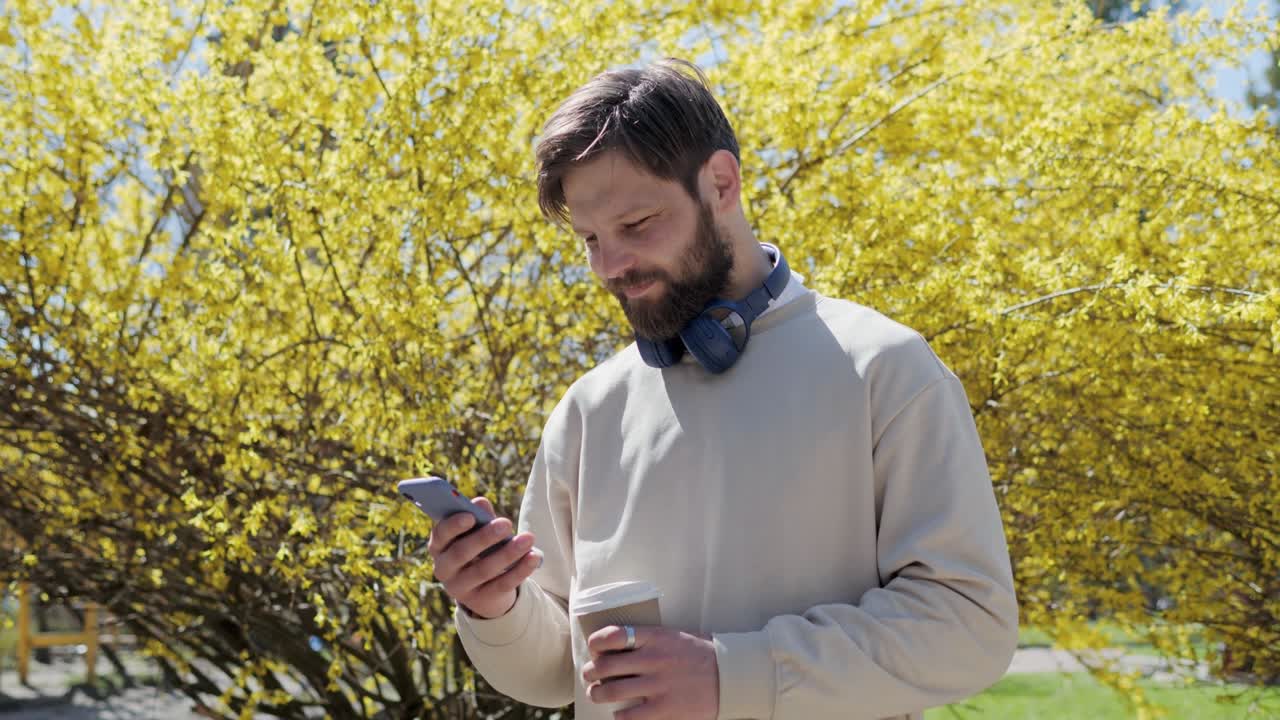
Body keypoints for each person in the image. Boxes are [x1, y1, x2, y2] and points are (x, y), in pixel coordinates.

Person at [426, 57, 1019, 720]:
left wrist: (731, 676)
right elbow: (555, 674)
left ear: (721, 183)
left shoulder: (884, 369)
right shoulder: (589, 411)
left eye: (636, 226)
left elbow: (970, 625)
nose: (610, 266)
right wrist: (496, 606)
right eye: (590, 239)